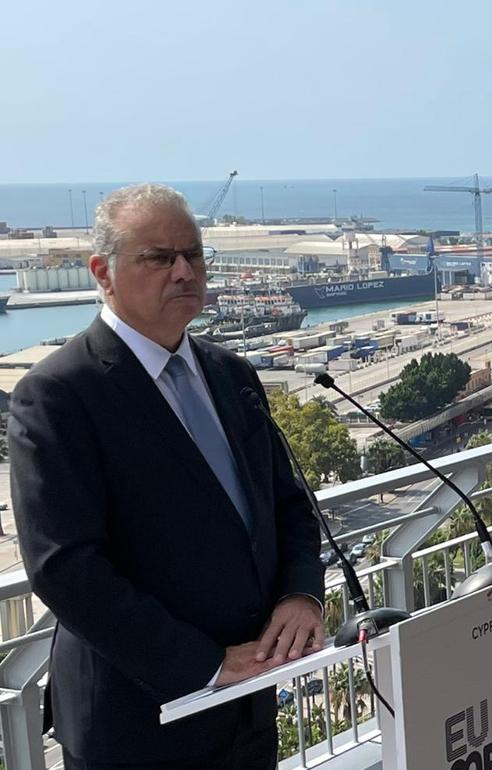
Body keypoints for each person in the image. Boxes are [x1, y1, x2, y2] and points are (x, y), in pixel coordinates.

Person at [9, 184, 325, 769]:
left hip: (248, 705)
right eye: (159, 257)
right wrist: (203, 665)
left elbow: (290, 505)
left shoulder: (231, 375)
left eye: (194, 254)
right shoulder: (57, 395)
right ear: (102, 272)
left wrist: (301, 594)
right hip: (139, 721)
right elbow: (66, 568)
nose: (184, 271)